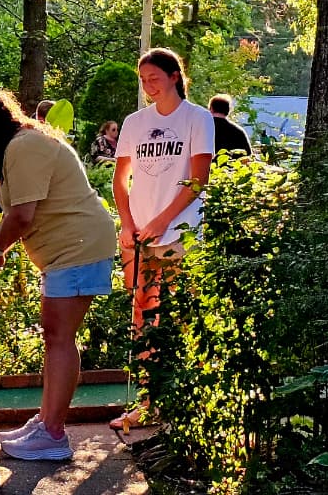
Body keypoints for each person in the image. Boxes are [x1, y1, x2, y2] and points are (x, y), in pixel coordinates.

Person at [0, 89, 118, 461]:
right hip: (66, 249)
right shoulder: (18, 146)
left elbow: (22, 215)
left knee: (60, 336)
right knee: (55, 336)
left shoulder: (25, 146)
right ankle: (46, 421)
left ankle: (53, 434)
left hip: (78, 245)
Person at [110, 48, 214, 429]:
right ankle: (147, 403)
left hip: (180, 232)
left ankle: (192, 403)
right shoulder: (135, 123)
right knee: (142, 318)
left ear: (174, 76)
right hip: (137, 234)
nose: (148, 86)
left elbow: (198, 180)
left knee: (184, 316)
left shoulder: (198, 119)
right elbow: (120, 179)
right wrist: (127, 222)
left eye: (154, 78)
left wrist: (161, 221)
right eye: (143, 80)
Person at [208, 94, 253, 159]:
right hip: (232, 168)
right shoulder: (239, 131)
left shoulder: (201, 128)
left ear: (211, 109)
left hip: (205, 168)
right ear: (228, 110)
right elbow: (248, 156)